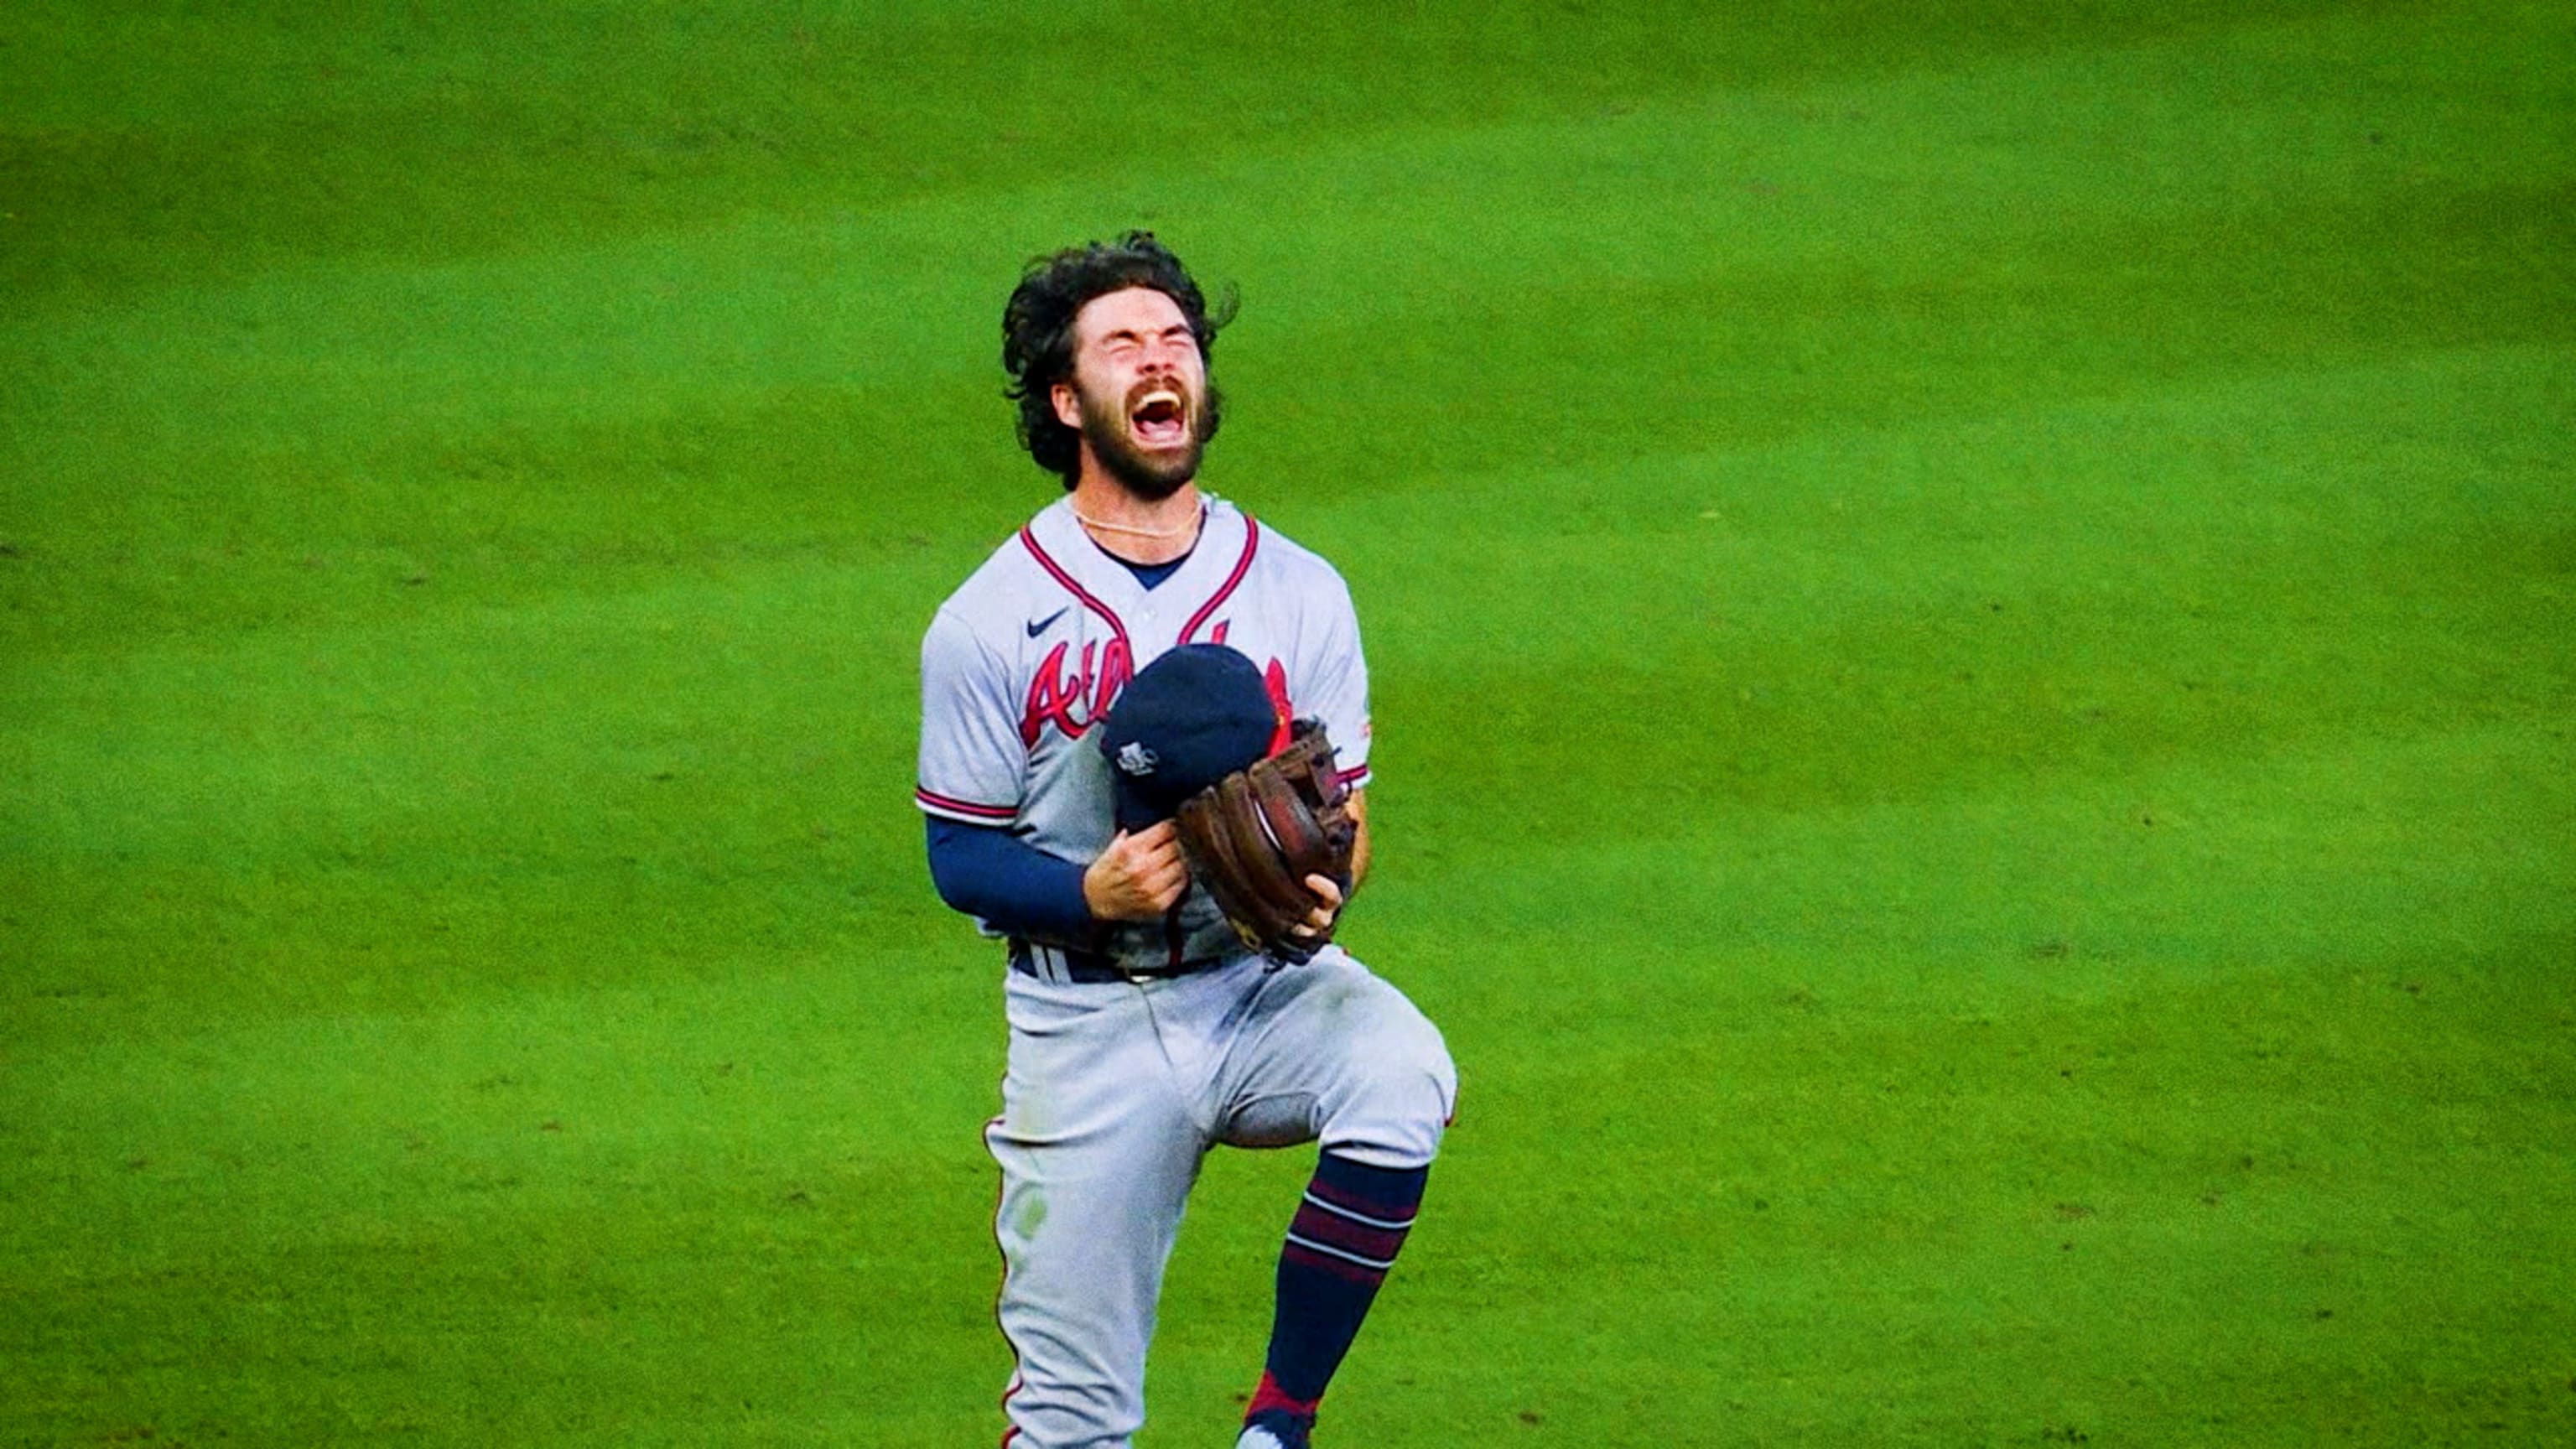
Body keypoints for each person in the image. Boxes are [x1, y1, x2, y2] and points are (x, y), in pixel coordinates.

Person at [915, 232, 1457, 1449]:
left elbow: (1347, 816)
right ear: (1069, 399)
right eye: (1124, 345)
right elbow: (957, 859)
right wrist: (1090, 891)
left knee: (1404, 1073)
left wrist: (1327, 888)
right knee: (1071, 1424)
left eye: (1178, 343)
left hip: (1263, 988)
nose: (1161, 364)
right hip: (1086, 1028)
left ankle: (1278, 1426)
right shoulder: (989, 619)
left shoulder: (1301, 590)